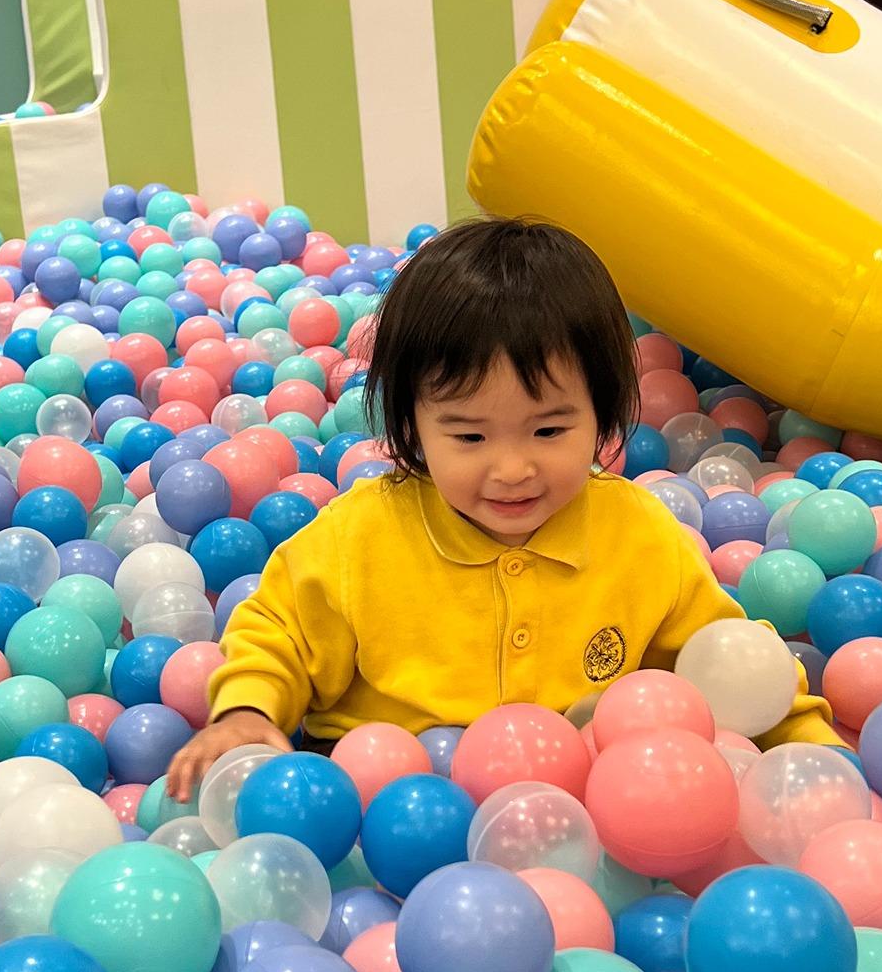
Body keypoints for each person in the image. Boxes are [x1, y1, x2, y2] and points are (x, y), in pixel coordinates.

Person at [167, 218, 837, 795]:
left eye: (549, 431)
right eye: (470, 437)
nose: (512, 469)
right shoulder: (359, 536)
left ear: (602, 416)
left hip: (587, 808)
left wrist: (817, 757)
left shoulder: (638, 535)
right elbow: (279, 630)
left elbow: (731, 663)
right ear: (412, 427)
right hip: (379, 804)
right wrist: (247, 712)